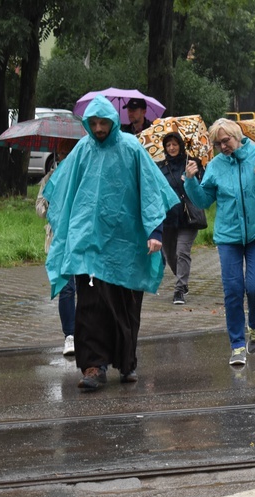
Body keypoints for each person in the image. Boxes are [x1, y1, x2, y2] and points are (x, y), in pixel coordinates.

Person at [43, 95, 179, 390]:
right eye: (94, 123)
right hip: (88, 241)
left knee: (124, 307)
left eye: (104, 122)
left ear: (114, 122)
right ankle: (93, 366)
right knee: (90, 307)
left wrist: (155, 232)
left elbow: (152, 190)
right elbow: (64, 189)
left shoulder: (131, 148)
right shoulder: (82, 150)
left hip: (126, 244)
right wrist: (63, 230)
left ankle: (126, 363)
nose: (100, 127)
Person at [184, 118, 255, 366]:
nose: (223, 146)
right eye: (218, 143)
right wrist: (190, 181)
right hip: (228, 236)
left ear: (238, 136)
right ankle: (237, 345)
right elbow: (202, 201)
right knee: (232, 291)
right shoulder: (216, 165)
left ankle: (254, 326)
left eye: (226, 141)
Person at [35, 138, 78, 356]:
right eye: (61, 152)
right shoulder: (49, 179)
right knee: (66, 287)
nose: (64, 155)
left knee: (88, 287)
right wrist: (50, 204)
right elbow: (39, 209)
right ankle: (69, 335)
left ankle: (88, 332)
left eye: (68, 151)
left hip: (81, 239)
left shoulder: (83, 175)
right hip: (59, 240)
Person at [157, 132, 205, 305]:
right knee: (170, 256)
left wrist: (194, 176)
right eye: (168, 145)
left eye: (174, 144)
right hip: (168, 218)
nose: (171, 148)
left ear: (181, 145)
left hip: (188, 217)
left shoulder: (192, 163)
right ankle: (182, 280)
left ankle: (179, 289)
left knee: (182, 251)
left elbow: (204, 186)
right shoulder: (160, 167)